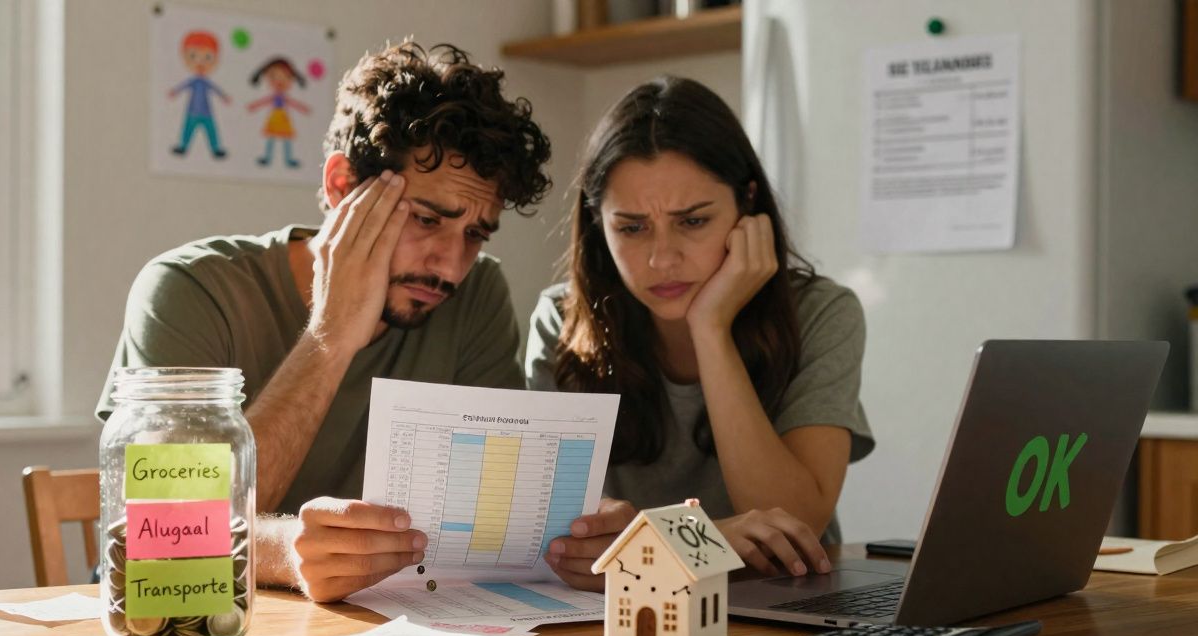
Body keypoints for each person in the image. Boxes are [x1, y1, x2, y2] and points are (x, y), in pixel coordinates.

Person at [99, 42, 552, 603]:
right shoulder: (190, 289)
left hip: (373, 634)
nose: (450, 266)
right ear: (341, 187)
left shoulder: (477, 294)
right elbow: (167, 532)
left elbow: (494, 522)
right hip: (182, 619)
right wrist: (330, 337)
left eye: (476, 234)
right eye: (428, 219)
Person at [527, 77, 875, 591]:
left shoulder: (822, 313)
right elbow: (548, 537)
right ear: (598, 225)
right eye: (632, 227)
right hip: (622, 617)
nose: (662, 259)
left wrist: (711, 328)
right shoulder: (562, 320)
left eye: (692, 221)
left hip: (778, 608)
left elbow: (794, 529)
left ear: (747, 204)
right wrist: (709, 540)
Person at [169, 30, 230, 159]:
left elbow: (216, 89)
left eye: (207, 57)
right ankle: (183, 147)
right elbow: (183, 86)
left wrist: (224, 97)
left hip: (207, 112)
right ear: (185, 58)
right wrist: (175, 91)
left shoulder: (207, 82)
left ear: (216, 61)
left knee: (211, 131)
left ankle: (215, 149)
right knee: (187, 130)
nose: (200, 62)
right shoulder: (193, 81)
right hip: (192, 111)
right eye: (193, 56)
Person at [246, 56, 312, 168]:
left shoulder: (283, 97)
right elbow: (265, 101)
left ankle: (288, 159)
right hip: (275, 117)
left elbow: (292, 103)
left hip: (283, 118)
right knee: (271, 138)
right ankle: (267, 157)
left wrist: (303, 108)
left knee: (286, 139)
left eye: (286, 77)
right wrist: (254, 105)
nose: (279, 81)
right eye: (273, 76)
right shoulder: (275, 96)